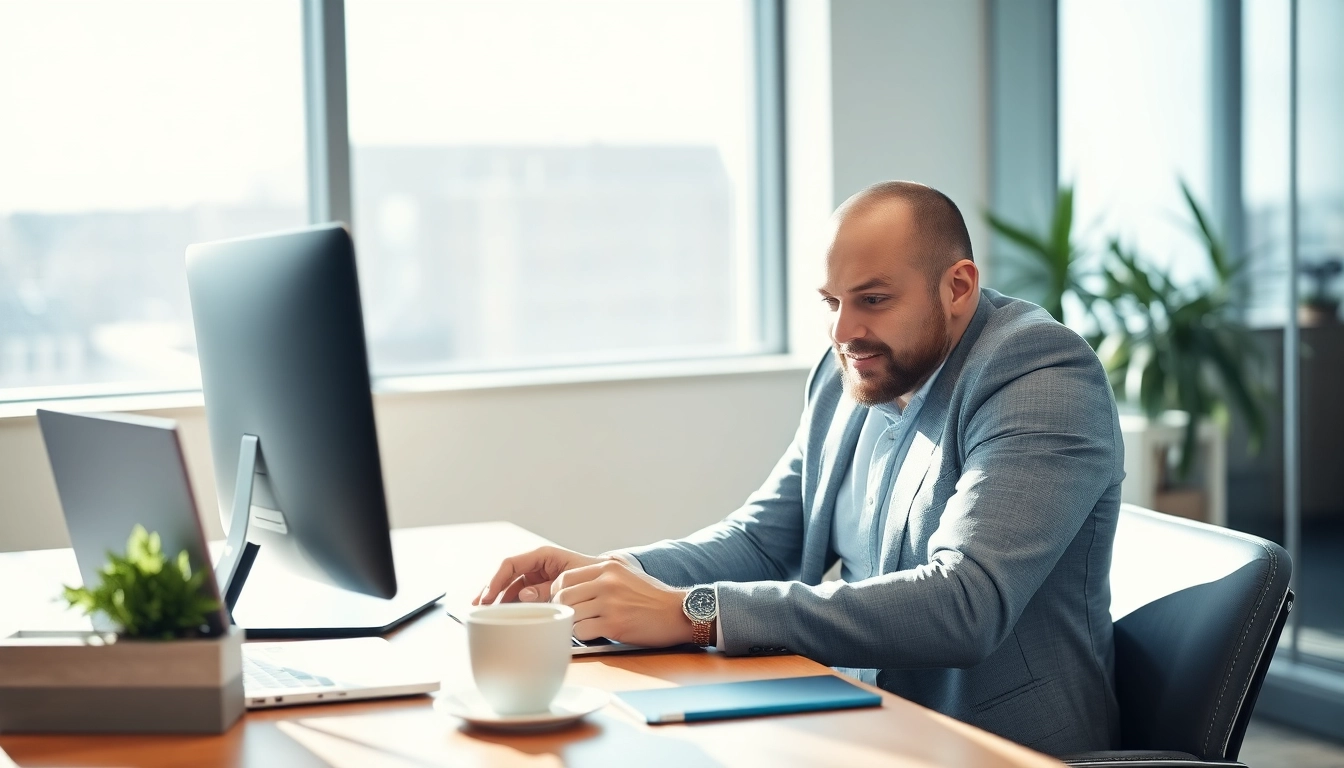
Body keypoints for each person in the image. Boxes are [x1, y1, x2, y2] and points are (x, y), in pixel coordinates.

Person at [475, 181, 1123, 755]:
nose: (844, 330)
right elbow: (763, 538)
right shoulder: (851, 372)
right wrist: (613, 577)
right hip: (863, 726)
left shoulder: (1038, 373)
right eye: (831, 301)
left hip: (997, 750)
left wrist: (694, 611)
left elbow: (965, 603)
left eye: (873, 299)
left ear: (958, 287)